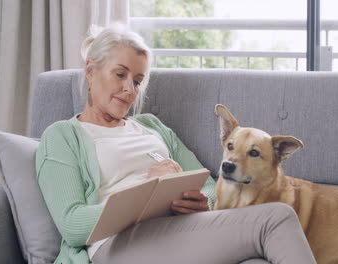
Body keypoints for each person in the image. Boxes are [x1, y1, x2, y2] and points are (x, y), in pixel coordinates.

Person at [35, 23, 316, 264]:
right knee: (275, 219)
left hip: (179, 229)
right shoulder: (62, 136)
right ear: (91, 70)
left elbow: (207, 184)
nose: (129, 89)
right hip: (116, 245)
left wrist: (202, 201)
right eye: (120, 75)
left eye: (137, 80)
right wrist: (145, 190)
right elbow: (72, 225)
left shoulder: (151, 126)